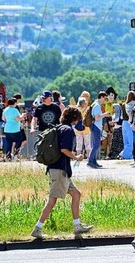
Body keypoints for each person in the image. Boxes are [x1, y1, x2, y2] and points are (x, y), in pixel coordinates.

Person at [31, 106, 93, 239]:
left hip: (58, 169)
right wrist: (76, 157)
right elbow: (64, 149)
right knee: (52, 200)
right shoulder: (68, 130)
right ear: (75, 118)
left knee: (76, 194)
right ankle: (37, 228)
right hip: (60, 170)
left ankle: (77, 226)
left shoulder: (59, 128)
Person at [88, 91, 109, 168]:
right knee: (96, 145)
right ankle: (90, 161)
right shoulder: (97, 106)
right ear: (101, 97)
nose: (105, 100)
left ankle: (94, 161)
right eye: (104, 98)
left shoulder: (95, 104)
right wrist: (105, 114)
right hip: (96, 127)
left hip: (94, 126)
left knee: (95, 144)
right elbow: (97, 118)